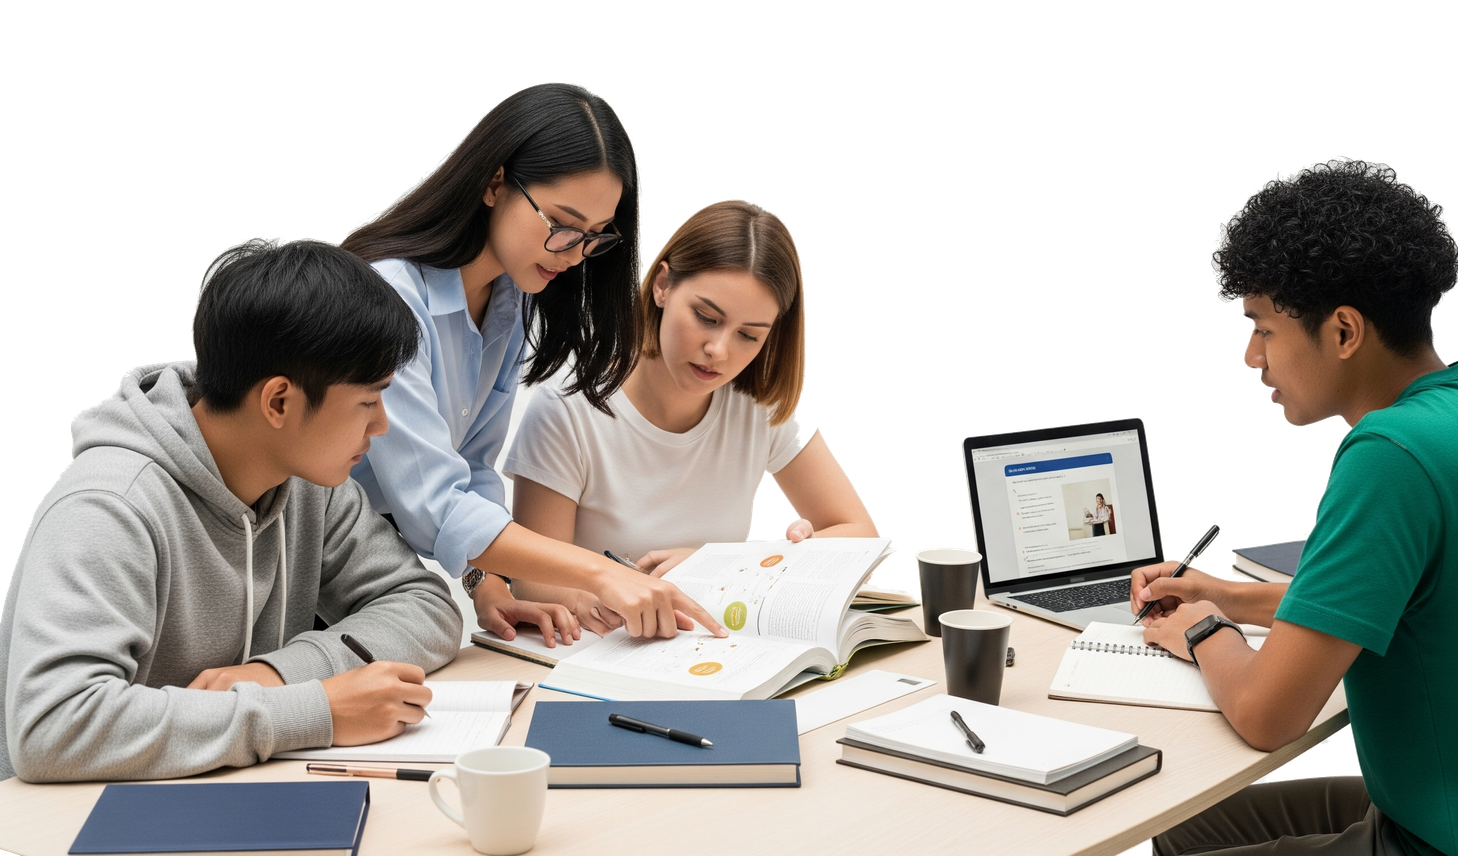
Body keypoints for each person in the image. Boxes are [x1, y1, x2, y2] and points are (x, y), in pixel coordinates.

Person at [1133, 157, 1458, 855]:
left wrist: (1202, 630)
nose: (1249, 355)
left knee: (1169, 841)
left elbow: (1268, 714)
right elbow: (1390, 601)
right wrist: (1223, 595)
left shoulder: (1392, 452)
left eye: (1262, 326)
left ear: (1345, 331)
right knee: (1178, 832)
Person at [0, 239, 463, 782]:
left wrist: (276, 673)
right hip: (89, 821)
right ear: (279, 402)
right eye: (368, 400)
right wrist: (314, 711)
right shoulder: (109, 508)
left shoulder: (308, 481)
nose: (381, 425)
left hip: (230, 791)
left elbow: (425, 606)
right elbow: (53, 726)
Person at [340, 82, 723, 642]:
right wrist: (599, 571)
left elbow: (470, 466)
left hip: (356, 553)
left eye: (594, 238)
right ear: (495, 182)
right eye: (562, 224)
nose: (573, 254)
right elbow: (433, 499)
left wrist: (489, 583)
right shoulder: (392, 294)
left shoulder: (509, 300)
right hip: (297, 550)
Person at [470, 199, 879, 638]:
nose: (719, 351)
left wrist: (734, 565)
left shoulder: (758, 409)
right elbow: (534, 578)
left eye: (748, 335)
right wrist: (610, 596)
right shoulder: (568, 408)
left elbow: (859, 533)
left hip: (715, 648)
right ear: (662, 284)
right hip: (601, 649)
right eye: (706, 317)